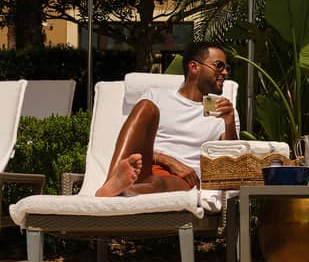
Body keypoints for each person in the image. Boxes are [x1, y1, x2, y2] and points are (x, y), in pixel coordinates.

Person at [96, 42, 238, 197]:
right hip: (143, 167)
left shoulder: (223, 111)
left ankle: (121, 191)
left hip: (183, 179)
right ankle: (111, 183)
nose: (225, 72)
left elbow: (231, 165)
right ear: (194, 67)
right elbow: (135, 145)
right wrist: (167, 161)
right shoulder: (156, 96)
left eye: (227, 68)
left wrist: (229, 122)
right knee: (146, 106)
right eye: (219, 66)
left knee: (159, 183)